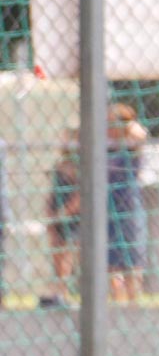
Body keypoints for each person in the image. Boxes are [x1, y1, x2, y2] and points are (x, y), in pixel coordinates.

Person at [106, 103, 148, 303]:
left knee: (131, 261)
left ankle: (133, 304)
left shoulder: (130, 145)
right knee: (110, 263)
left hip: (128, 208)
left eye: (111, 123)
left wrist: (127, 123)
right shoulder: (106, 148)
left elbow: (140, 134)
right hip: (107, 209)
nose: (108, 127)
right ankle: (117, 303)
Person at [44, 129, 81, 307]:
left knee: (67, 253)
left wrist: (63, 213)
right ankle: (57, 292)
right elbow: (53, 192)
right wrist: (50, 214)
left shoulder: (78, 166)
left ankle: (64, 292)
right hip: (57, 213)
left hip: (70, 215)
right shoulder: (61, 164)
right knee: (57, 254)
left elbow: (78, 197)